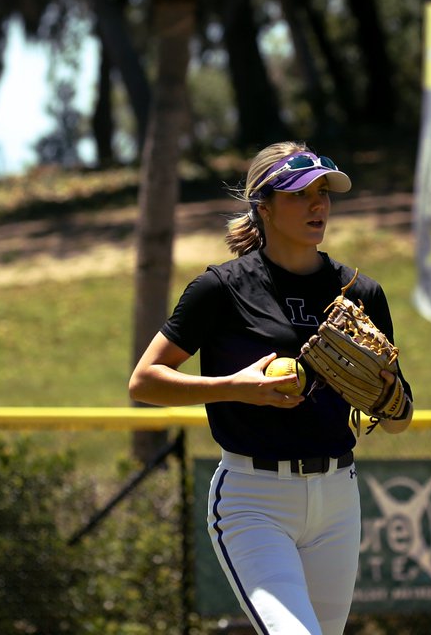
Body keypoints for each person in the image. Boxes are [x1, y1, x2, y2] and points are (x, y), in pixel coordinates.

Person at [129, 141, 414, 635]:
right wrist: (233, 387)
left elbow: (399, 420)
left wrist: (388, 399)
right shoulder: (222, 288)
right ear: (264, 207)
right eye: (301, 193)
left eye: (324, 192)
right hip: (254, 499)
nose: (318, 204)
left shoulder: (360, 293)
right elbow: (145, 381)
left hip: (337, 499)